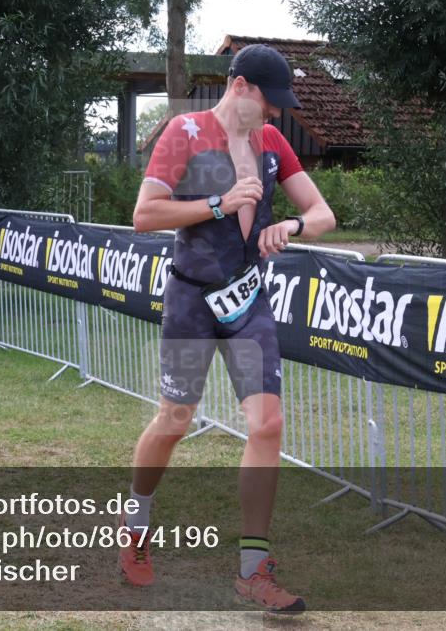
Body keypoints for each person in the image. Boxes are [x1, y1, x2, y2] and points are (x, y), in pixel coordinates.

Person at [122, 44, 336, 614]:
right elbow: (145, 215)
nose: (271, 116)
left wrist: (290, 224)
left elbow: (324, 214)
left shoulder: (271, 142)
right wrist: (217, 203)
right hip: (191, 300)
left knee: (267, 424)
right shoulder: (185, 133)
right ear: (239, 86)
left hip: (246, 303)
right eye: (267, 101)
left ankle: (252, 570)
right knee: (174, 420)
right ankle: (136, 523)